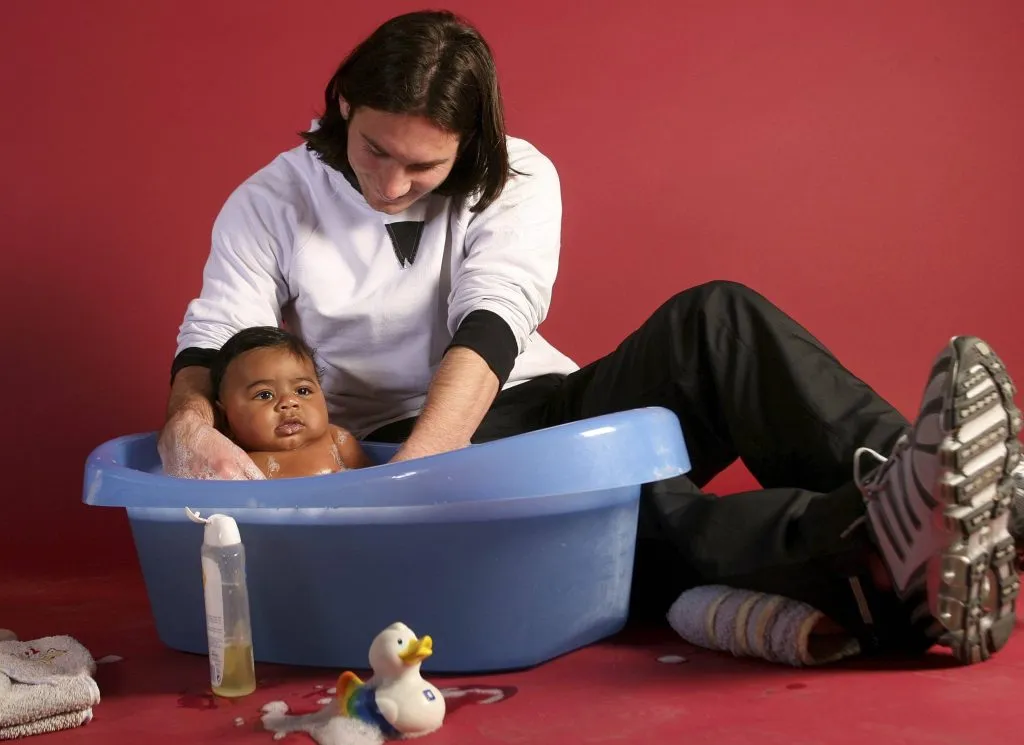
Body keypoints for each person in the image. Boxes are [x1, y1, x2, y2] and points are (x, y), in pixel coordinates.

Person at [157, 9, 1024, 665]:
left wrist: (434, 466)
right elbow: (216, 337)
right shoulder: (272, 199)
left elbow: (492, 320)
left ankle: (934, 484)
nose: (393, 182)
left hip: (514, 401)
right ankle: (882, 543)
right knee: (632, 504)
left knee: (716, 316)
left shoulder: (521, 173)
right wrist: (192, 429)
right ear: (345, 102)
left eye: (425, 166)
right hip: (390, 446)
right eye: (377, 148)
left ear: (472, 143)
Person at [209, 326, 372, 478]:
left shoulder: (338, 441)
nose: (289, 402)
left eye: (303, 391)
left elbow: (371, 485)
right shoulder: (229, 460)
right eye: (265, 395)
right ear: (224, 418)